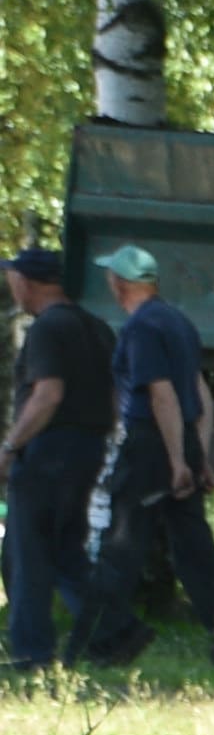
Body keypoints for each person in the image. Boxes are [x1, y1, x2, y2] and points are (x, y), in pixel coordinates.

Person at [82, 243, 214, 665]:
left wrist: (175, 462)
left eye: (111, 277)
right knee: (193, 546)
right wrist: (199, 456)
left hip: (151, 446)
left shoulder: (142, 329)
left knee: (121, 543)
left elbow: (162, 394)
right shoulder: (178, 322)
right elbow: (200, 393)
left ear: (121, 284)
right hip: (181, 441)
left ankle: (112, 640)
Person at [3, 246, 111, 671]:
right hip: (87, 449)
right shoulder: (97, 327)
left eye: (12, 276)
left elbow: (48, 394)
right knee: (68, 553)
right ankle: (109, 633)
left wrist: (10, 446)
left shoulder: (48, 328)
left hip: (48, 451)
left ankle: (32, 653)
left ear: (27, 281)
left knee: (29, 554)